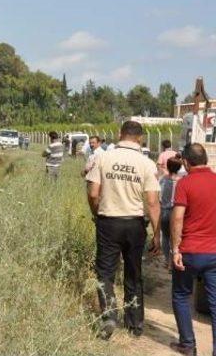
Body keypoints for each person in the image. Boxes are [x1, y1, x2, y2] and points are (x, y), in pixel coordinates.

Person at [86, 121, 161, 339]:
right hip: (135, 224)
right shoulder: (146, 163)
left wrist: (96, 213)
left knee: (105, 272)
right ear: (140, 138)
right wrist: (157, 234)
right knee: (134, 273)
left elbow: (92, 194)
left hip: (108, 221)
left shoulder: (103, 157)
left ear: (120, 135)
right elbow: (153, 202)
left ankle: (109, 316)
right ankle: (135, 324)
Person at [169, 143, 216, 356]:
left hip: (189, 251)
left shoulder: (184, 184)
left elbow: (177, 217)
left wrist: (175, 249)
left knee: (181, 295)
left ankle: (188, 345)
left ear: (186, 162)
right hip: (214, 253)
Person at [160, 156, 182, 269]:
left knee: (165, 236)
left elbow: (159, 195)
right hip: (177, 212)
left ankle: (167, 261)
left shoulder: (163, 179)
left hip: (164, 211)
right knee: (175, 238)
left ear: (167, 167)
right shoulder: (181, 181)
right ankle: (173, 260)